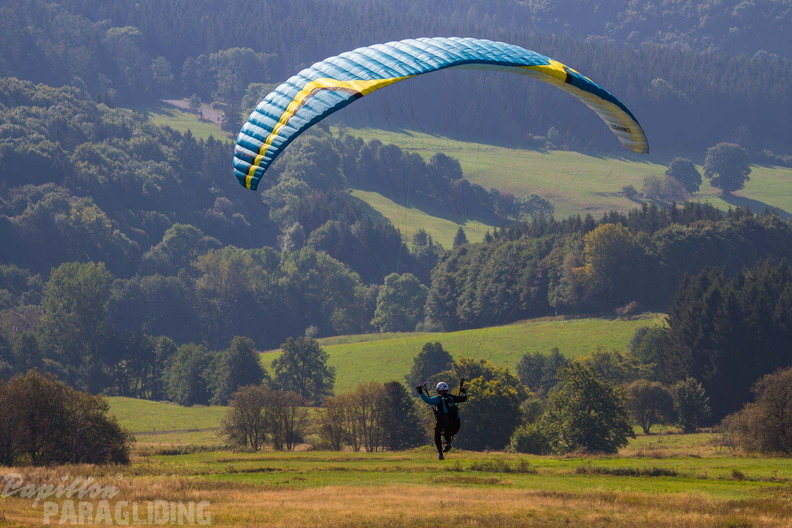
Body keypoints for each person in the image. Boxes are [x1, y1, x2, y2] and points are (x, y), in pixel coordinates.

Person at [417, 381, 467, 459]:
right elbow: (464, 398)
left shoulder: (438, 398)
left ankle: (440, 454)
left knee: (437, 436)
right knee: (446, 432)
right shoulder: (452, 397)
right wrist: (464, 392)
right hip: (456, 425)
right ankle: (447, 443)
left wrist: (420, 392)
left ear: (438, 390)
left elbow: (428, 400)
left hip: (445, 424)